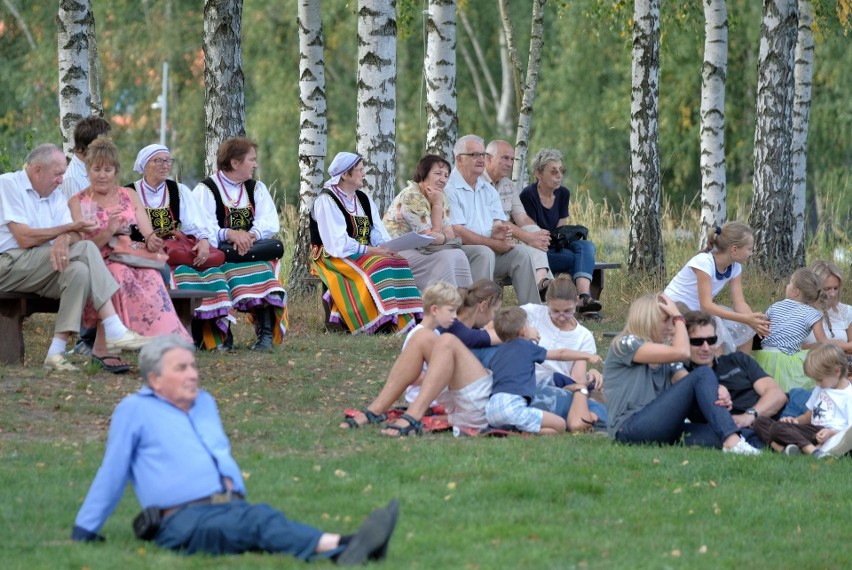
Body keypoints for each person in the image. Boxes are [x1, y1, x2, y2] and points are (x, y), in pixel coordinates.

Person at [71, 335, 399, 564]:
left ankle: (350, 548)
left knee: (263, 520)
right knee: (259, 523)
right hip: (181, 522)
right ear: (155, 380)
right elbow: (112, 471)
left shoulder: (204, 404)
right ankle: (344, 547)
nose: (193, 374)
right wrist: (85, 529)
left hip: (227, 506)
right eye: (181, 368)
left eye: (193, 366)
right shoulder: (134, 410)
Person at [0, 144, 154, 371]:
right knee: (87, 249)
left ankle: (56, 353)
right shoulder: (8, 184)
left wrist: (65, 237)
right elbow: (23, 238)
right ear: (37, 170)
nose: (62, 180)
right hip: (8, 263)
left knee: (79, 272)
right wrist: (65, 231)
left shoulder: (54, 195)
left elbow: (72, 233)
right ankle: (113, 325)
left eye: (63, 173)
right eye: (58, 173)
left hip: (40, 264)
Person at [68, 137, 190, 372]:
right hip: (96, 260)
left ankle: (161, 346)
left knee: (153, 276)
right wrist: (110, 230)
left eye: (108, 169)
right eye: (97, 169)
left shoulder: (128, 195)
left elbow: (146, 232)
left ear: (116, 171)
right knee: (119, 276)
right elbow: (84, 247)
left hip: (129, 255)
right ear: (88, 170)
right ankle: (105, 349)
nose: (102, 175)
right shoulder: (79, 201)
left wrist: (152, 240)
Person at [603, 292, 761, 454]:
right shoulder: (626, 343)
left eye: (672, 321)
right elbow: (683, 353)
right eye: (666, 320)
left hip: (662, 428)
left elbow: (690, 384)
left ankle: (778, 447)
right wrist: (679, 316)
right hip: (629, 429)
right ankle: (733, 444)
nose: (671, 327)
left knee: (738, 433)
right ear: (647, 320)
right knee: (703, 373)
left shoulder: (667, 357)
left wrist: (717, 389)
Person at [128, 144, 234, 347]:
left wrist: (203, 240)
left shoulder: (178, 191)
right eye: (158, 160)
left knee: (213, 274)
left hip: (175, 253)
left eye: (168, 160)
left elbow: (197, 222)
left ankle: (213, 334)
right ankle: (180, 333)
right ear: (144, 165)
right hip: (142, 253)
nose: (165, 165)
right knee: (178, 275)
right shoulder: (130, 192)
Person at [310, 151, 422, 334]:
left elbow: (376, 230)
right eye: (360, 170)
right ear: (345, 175)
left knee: (398, 261)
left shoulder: (362, 198)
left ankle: (401, 321)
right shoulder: (326, 200)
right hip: (332, 255)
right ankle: (377, 323)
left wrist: (386, 247)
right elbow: (337, 243)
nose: (364, 173)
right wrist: (373, 252)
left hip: (362, 252)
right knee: (381, 265)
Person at [193, 137, 287, 351]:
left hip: (250, 252)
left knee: (265, 269)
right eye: (251, 160)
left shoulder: (256, 188)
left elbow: (270, 222)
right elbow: (201, 227)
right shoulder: (206, 190)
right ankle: (222, 334)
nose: (255, 164)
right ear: (235, 163)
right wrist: (229, 234)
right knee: (219, 273)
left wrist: (250, 236)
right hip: (221, 256)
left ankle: (265, 333)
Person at [444, 135, 540, 306]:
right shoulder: (449, 188)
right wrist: (492, 244)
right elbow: (458, 231)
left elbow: (498, 223)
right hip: (458, 252)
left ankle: (533, 312)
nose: (481, 159)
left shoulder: (488, 189)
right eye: (474, 155)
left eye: (482, 154)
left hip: (487, 249)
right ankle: (479, 314)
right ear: (459, 159)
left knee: (521, 253)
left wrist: (500, 233)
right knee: (484, 252)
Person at [485, 307, 601, 435]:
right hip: (513, 408)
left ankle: (513, 431)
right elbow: (560, 354)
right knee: (561, 424)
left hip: (491, 411)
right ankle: (519, 432)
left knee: (551, 431)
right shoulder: (526, 347)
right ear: (523, 330)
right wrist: (586, 356)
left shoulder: (496, 354)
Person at [683, 310, 787, 448]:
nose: (706, 347)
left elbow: (777, 395)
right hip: (748, 430)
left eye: (711, 340)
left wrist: (749, 416)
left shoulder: (737, 360)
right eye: (697, 341)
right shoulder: (682, 377)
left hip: (784, 411)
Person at [663, 221, 770, 354]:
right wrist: (746, 319)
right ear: (734, 249)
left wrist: (753, 321)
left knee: (747, 327)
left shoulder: (735, 267)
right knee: (716, 326)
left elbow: (740, 303)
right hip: (673, 308)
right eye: (749, 249)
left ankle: (742, 368)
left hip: (698, 310)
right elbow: (706, 306)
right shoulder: (704, 262)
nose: (751, 253)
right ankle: (718, 369)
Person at [521, 275, 608, 429]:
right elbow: (501, 328)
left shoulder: (583, 336)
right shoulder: (531, 313)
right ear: (547, 303)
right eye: (555, 311)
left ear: (576, 302)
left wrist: (590, 376)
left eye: (568, 311)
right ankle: (590, 417)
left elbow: (576, 379)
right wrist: (523, 332)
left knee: (592, 389)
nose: (561, 317)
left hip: (559, 387)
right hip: (525, 380)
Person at [519, 149, 601, 313]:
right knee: (580, 259)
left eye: (561, 170)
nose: (559, 175)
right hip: (537, 253)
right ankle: (582, 302)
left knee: (586, 246)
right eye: (553, 171)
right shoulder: (528, 195)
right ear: (538, 174)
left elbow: (560, 230)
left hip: (555, 247)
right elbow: (535, 235)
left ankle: (584, 296)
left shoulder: (563, 193)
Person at [59, 116, 112, 356]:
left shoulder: (91, 172)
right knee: (100, 268)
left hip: (97, 240)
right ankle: (87, 338)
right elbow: (76, 223)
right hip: (78, 245)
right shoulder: (73, 178)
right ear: (91, 146)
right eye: (105, 141)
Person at [381, 154, 472, 291]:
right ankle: (443, 302)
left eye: (446, 175)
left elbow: (448, 233)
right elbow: (430, 238)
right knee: (446, 258)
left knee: (459, 255)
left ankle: (463, 305)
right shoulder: (412, 196)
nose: (443, 179)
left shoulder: (440, 195)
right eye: (438, 173)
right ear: (423, 173)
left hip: (423, 250)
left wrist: (441, 236)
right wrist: (436, 205)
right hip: (396, 252)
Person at [753, 344, 852, 457]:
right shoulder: (820, 388)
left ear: (837, 371)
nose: (817, 384)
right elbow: (807, 417)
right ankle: (788, 450)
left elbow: (849, 432)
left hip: (832, 437)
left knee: (777, 428)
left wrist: (831, 433)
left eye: (820, 379)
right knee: (760, 422)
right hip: (811, 432)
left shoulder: (848, 395)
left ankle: (813, 452)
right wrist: (795, 421)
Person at [483, 140, 552, 295]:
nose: (509, 163)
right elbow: (497, 222)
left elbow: (522, 217)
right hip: (489, 241)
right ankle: (547, 290)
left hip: (509, 240)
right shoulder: (478, 183)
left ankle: (542, 280)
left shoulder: (508, 184)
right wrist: (529, 237)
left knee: (533, 230)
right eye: (505, 158)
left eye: (512, 159)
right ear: (488, 158)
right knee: (529, 240)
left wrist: (538, 233)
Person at [752, 268, 828, 392]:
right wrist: (809, 347)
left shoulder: (775, 306)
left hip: (764, 356)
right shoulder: (813, 314)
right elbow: (823, 343)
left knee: (764, 391)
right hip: (787, 362)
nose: (787, 285)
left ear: (796, 291)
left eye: (790, 283)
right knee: (789, 392)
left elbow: (760, 329)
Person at [803, 260, 852, 364]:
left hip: (839, 372)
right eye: (827, 288)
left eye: (836, 288)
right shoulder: (800, 311)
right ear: (813, 287)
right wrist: (826, 346)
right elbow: (791, 348)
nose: (833, 294)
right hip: (804, 370)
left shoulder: (846, 311)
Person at [58, 116, 112, 201]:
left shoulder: (92, 171)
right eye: (103, 145)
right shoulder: (72, 180)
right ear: (90, 145)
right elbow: (76, 213)